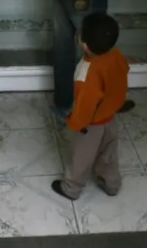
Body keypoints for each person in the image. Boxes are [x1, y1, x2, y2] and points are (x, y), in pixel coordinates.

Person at [51, 12, 129, 200]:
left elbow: (85, 104)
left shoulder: (86, 71)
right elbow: (124, 70)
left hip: (91, 124)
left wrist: (75, 122)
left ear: (84, 45)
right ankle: (111, 184)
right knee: (109, 154)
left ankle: (71, 188)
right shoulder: (115, 54)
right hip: (110, 117)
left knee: (81, 157)